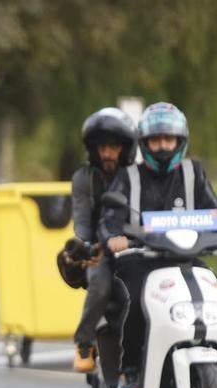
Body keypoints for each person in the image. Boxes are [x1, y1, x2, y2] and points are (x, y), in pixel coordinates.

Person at [100, 102, 217, 388]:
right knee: (134, 297)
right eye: (156, 139)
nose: (163, 146)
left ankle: (204, 349)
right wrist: (114, 236)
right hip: (139, 259)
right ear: (145, 143)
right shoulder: (129, 176)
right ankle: (131, 368)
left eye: (169, 139)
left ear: (180, 141)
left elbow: (215, 208)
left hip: (183, 258)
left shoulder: (193, 172)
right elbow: (110, 216)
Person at [69, 108, 137, 372]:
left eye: (113, 147)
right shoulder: (83, 178)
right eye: (102, 148)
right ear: (94, 150)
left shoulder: (137, 176)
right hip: (100, 249)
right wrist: (86, 246)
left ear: (125, 148)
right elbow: (82, 219)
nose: (107, 153)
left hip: (137, 246)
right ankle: (84, 341)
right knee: (100, 282)